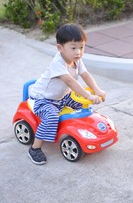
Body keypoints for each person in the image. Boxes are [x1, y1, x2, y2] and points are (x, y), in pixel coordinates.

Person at [28, 23, 106, 165]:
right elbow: (71, 82)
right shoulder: (57, 63)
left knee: (84, 107)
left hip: (62, 96)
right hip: (44, 99)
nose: (78, 52)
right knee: (51, 117)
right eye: (73, 48)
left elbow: (86, 75)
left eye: (81, 47)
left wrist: (97, 90)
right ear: (60, 48)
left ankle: (84, 131)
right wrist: (89, 95)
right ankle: (35, 148)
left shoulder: (77, 60)